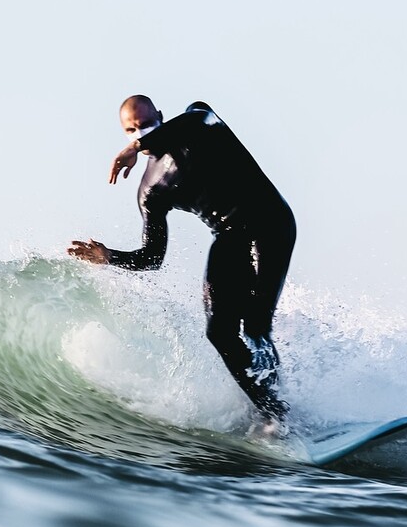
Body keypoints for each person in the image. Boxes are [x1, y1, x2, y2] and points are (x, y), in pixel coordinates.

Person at [68, 95, 296, 425]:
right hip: (230, 235)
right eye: (130, 129)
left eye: (145, 124)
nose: (138, 132)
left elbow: (197, 117)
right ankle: (269, 409)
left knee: (256, 326)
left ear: (160, 116)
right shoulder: (150, 190)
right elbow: (152, 257)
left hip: (270, 221)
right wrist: (109, 257)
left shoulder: (196, 123)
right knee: (219, 332)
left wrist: (135, 146)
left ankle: (278, 408)